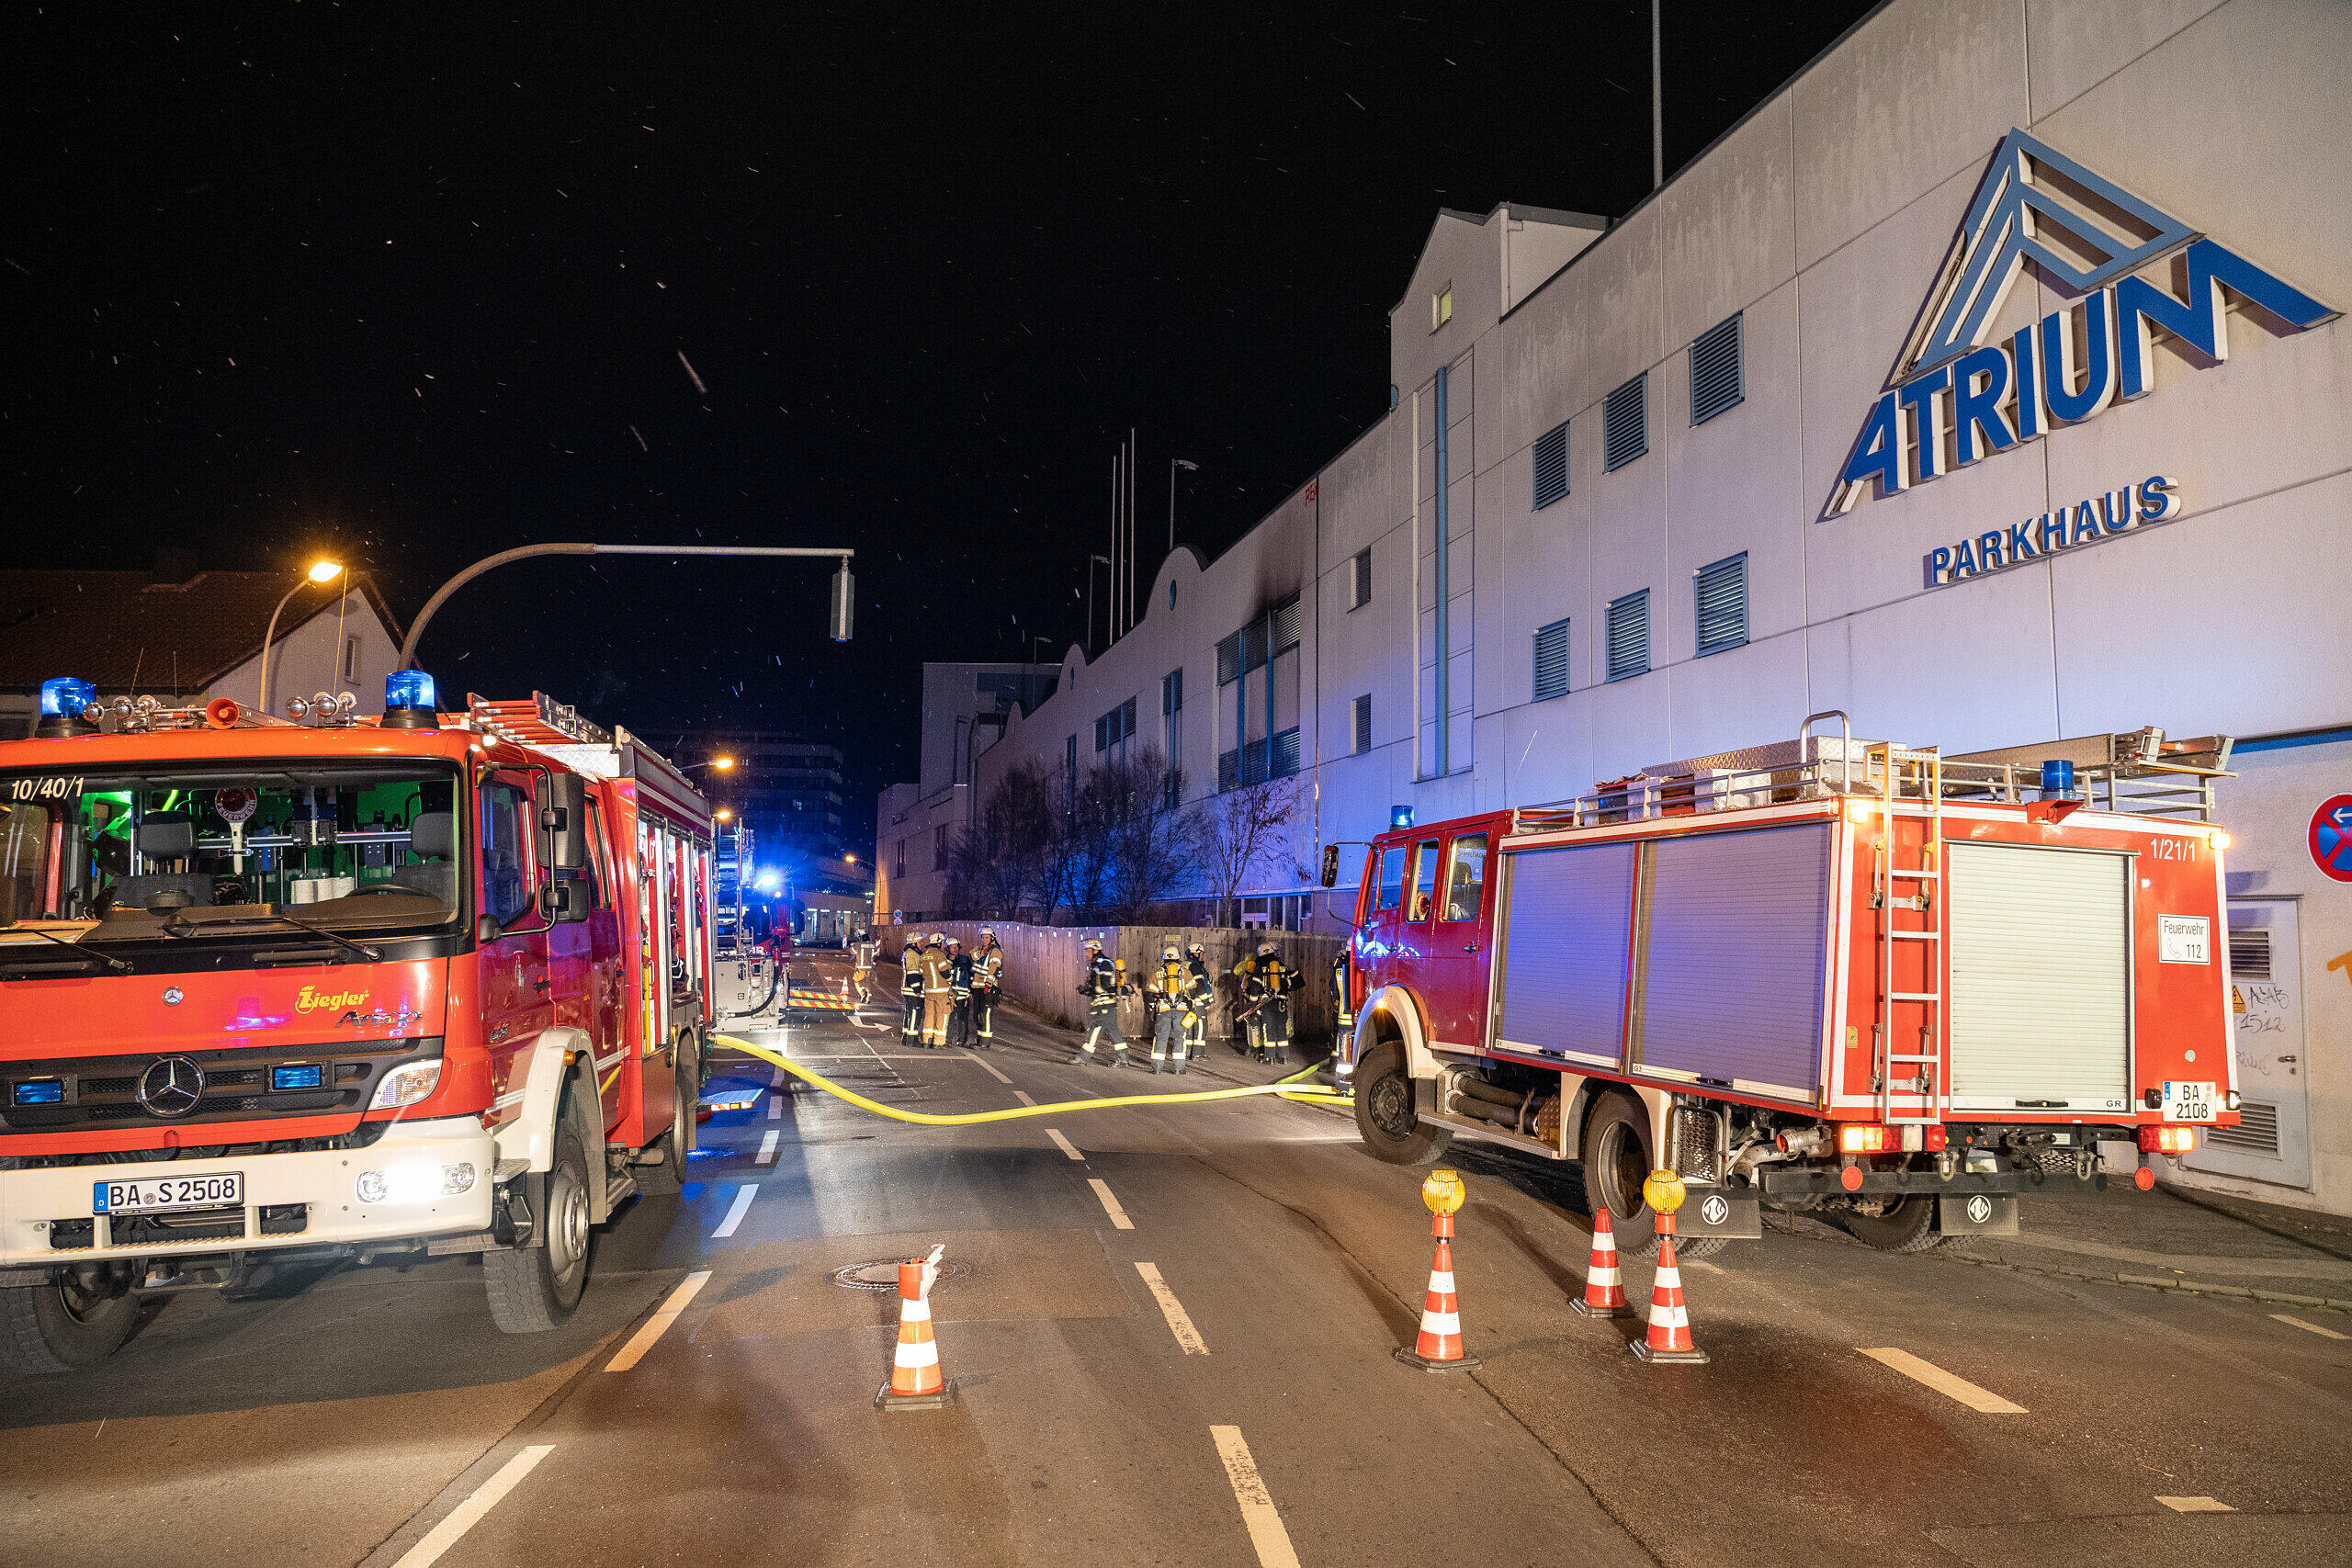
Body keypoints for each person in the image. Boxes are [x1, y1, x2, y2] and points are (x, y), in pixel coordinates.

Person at [1068, 936, 1131, 1067]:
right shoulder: (1098, 964)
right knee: (1113, 1030)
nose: (1086, 953)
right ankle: (1123, 1059)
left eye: (1088, 950)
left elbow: (1104, 985)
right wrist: (1087, 989)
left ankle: (1083, 1058)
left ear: (1095, 950)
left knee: (1095, 1029)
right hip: (1105, 1003)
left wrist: (1090, 990)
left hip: (1104, 1004)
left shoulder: (1104, 964)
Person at [1255, 941, 1304, 1066]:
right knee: (1282, 1030)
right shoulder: (1282, 966)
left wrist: (1252, 1002)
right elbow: (1295, 983)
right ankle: (1284, 1057)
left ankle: (1269, 1058)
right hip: (1281, 1004)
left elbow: (1255, 988)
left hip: (1267, 1004)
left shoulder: (1260, 968)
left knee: (1268, 1029)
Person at [1145, 942, 1190, 1075]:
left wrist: (1154, 1007)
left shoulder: (1157, 974)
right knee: (1179, 1038)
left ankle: (1157, 1068)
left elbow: (1150, 994)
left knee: (1161, 1037)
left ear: (1165, 957)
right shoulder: (1186, 973)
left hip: (1163, 1010)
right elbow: (1192, 993)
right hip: (1181, 1010)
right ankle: (1179, 1068)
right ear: (1178, 957)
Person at [970, 927, 1004, 1046]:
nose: (984, 939)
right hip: (978, 988)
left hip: (988, 988)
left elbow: (993, 969)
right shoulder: (983, 950)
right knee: (977, 1015)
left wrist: (988, 984)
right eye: (983, 937)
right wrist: (982, 951)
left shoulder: (995, 951)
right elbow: (973, 955)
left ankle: (985, 1043)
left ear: (992, 938)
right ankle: (979, 1040)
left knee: (986, 1015)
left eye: (987, 937)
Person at [919, 932, 954, 1047]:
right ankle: (938, 1042)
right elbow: (945, 972)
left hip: (928, 991)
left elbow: (921, 972)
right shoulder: (939, 955)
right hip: (941, 991)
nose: (944, 945)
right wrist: (950, 978)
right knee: (942, 1015)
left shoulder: (924, 955)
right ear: (938, 943)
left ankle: (926, 1040)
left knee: (929, 1015)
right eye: (943, 943)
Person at [1182, 942, 1215, 1060]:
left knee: (1189, 1027)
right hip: (1198, 1003)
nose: (1203, 956)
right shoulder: (1195, 966)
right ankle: (1198, 1054)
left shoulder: (1184, 964)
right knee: (1201, 1027)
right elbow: (1200, 985)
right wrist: (1206, 1002)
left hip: (1187, 1002)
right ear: (1196, 954)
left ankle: (1188, 1052)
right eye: (1202, 953)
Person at [946, 938, 975, 1047]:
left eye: (957, 947)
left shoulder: (965, 960)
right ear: (947, 948)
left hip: (963, 996)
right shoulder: (944, 961)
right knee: (949, 1018)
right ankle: (947, 1040)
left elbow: (971, 976)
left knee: (962, 1019)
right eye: (953, 947)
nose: (955, 949)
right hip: (950, 995)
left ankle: (962, 1040)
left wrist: (970, 992)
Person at [900, 934, 927, 1045]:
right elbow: (912, 973)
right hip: (912, 990)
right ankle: (912, 1039)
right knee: (915, 1013)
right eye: (920, 942)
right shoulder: (911, 954)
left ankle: (906, 1038)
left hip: (909, 990)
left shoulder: (911, 953)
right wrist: (917, 989)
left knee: (909, 1014)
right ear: (913, 943)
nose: (922, 944)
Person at [850, 928, 876, 1007]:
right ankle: (868, 999)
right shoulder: (873, 946)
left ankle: (863, 993)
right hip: (870, 968)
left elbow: (852, 951)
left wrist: (852, 945)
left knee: (857, 982)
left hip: (861, 968)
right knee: (868, 983)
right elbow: (874, 956)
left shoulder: (858, 945)